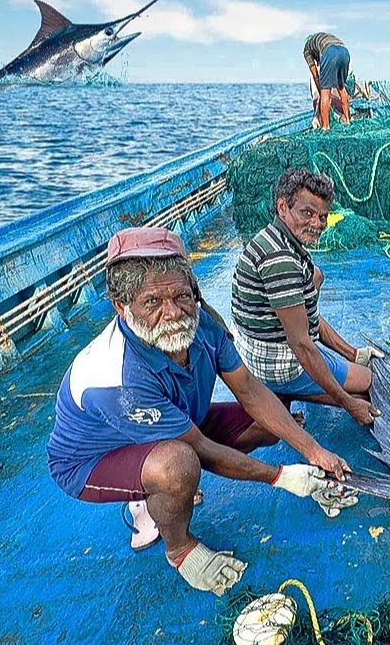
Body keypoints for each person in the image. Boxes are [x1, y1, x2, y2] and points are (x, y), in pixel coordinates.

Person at [46, 227, 356, 596]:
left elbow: (250, 389)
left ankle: (161, 491)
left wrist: (313, 451)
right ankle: (178, 546)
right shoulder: (117, 377)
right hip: (93, 460)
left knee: (271, 421)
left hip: (175, 421)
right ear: (121, 307)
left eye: (181, 296)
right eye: (152, 303)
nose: (173, 313)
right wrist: (284, 477)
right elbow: (200, 450)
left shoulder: (203, 322)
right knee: (179, 465)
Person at [232, 169, 382, 425]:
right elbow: (301, 344)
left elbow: (304, 310)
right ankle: (287, 389)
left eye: (323, 216)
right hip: (275, 364)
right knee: (370, 384)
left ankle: (344, 361)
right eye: (307, 213)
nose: (317, 224)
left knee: (316, 276)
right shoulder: (281, 262)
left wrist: (352, 353)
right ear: (282, 206)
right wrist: (349, 404)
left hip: (255, 346)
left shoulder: (273, 237)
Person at [303, 32, 351, 130]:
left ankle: (326, 127)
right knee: (341, 87)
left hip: (330, 52)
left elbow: (315, 74)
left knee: (325, 92)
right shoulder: (322, 38)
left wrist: (321, 90)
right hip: (345, 52)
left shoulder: (306, 50)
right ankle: (347, 119)